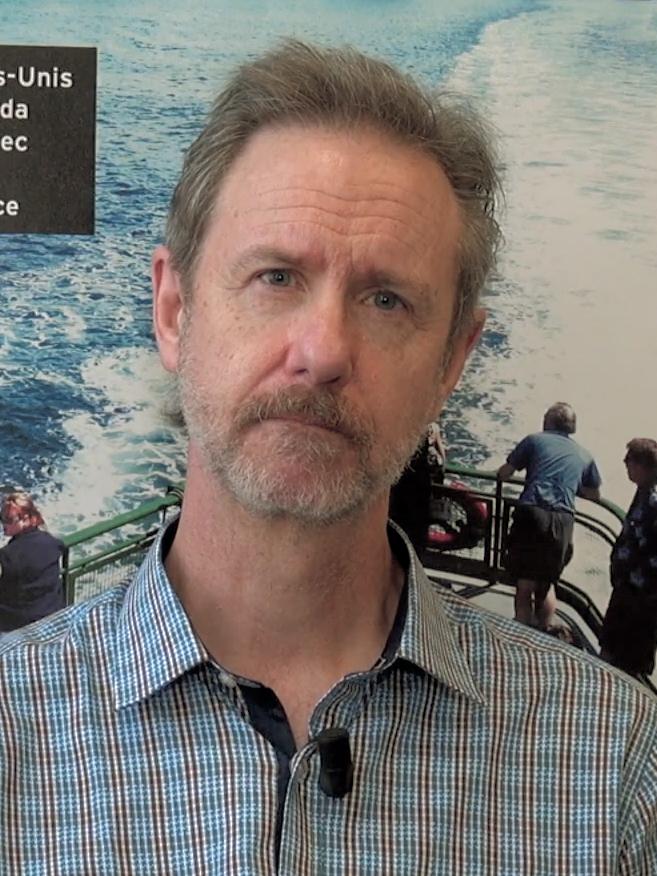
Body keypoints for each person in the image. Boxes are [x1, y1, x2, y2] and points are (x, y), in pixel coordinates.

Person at [1, 41, 657, 874]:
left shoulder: (612, 765)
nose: (321, 352)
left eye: (386, 299)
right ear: (173, 311)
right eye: (275, 277)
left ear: (451, 363)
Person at [497, 402, 602, 631]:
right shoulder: (584, 454)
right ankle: (544, 632)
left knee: (525, 581)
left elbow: (505, 473)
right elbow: (594, 494)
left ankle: (521, 629)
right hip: (563, 519)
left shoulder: (534, 441)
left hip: (533, 511)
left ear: (548, 421)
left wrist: (502, 474)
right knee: (546, 583)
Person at [600, 438, 657, 676]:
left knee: (628, 657)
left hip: (642, 594)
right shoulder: (643, 493)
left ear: (644, 466)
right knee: (611, 645)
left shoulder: (653, 500)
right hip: (628, 587)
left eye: (630, 460)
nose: (625, 464)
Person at [0, 491, 65, 633]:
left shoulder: (7, 557)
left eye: (9, 519)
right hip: (54, 616)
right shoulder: (53, 544)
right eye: (2, 517)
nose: (4, 523)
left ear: (25, 519)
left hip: (21, 627)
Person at [389, 421, 444, 555]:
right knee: (417, 525)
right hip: (420, 483)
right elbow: (442, 457)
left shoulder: (400, 430)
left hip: (402, 485)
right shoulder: (430, 429)